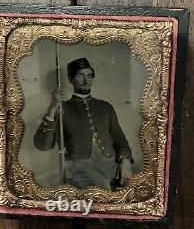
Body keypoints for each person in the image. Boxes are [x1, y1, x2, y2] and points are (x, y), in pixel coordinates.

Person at [34, 58, 134, 189]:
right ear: (70, 79)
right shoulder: (62, 108)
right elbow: (43, 145)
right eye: (80, 76)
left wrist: (125, 161)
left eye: (89, 76)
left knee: (131, 187)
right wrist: (52, 108)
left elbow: (120, 140)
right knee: (101, 189)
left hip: (109, 163)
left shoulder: (105, 107)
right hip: (78, 168)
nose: (86, 80)